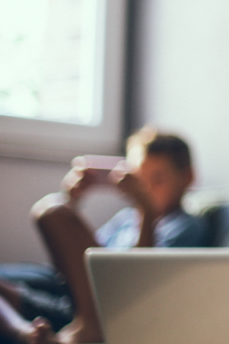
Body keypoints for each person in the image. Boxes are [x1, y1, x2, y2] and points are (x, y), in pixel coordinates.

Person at [0, 127, 207, 344]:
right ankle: (26, 333)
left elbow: (142, 280)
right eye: (140, 180)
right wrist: (73, 200)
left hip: (111, 304)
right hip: (74, 297)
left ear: (188, 177)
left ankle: (91, 326)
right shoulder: (126, 219)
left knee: (52, 210)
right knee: (56, 209)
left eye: (157, 179)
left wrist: (147, 212)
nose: (147, 188)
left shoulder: (184, 226)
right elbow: (82, 260)